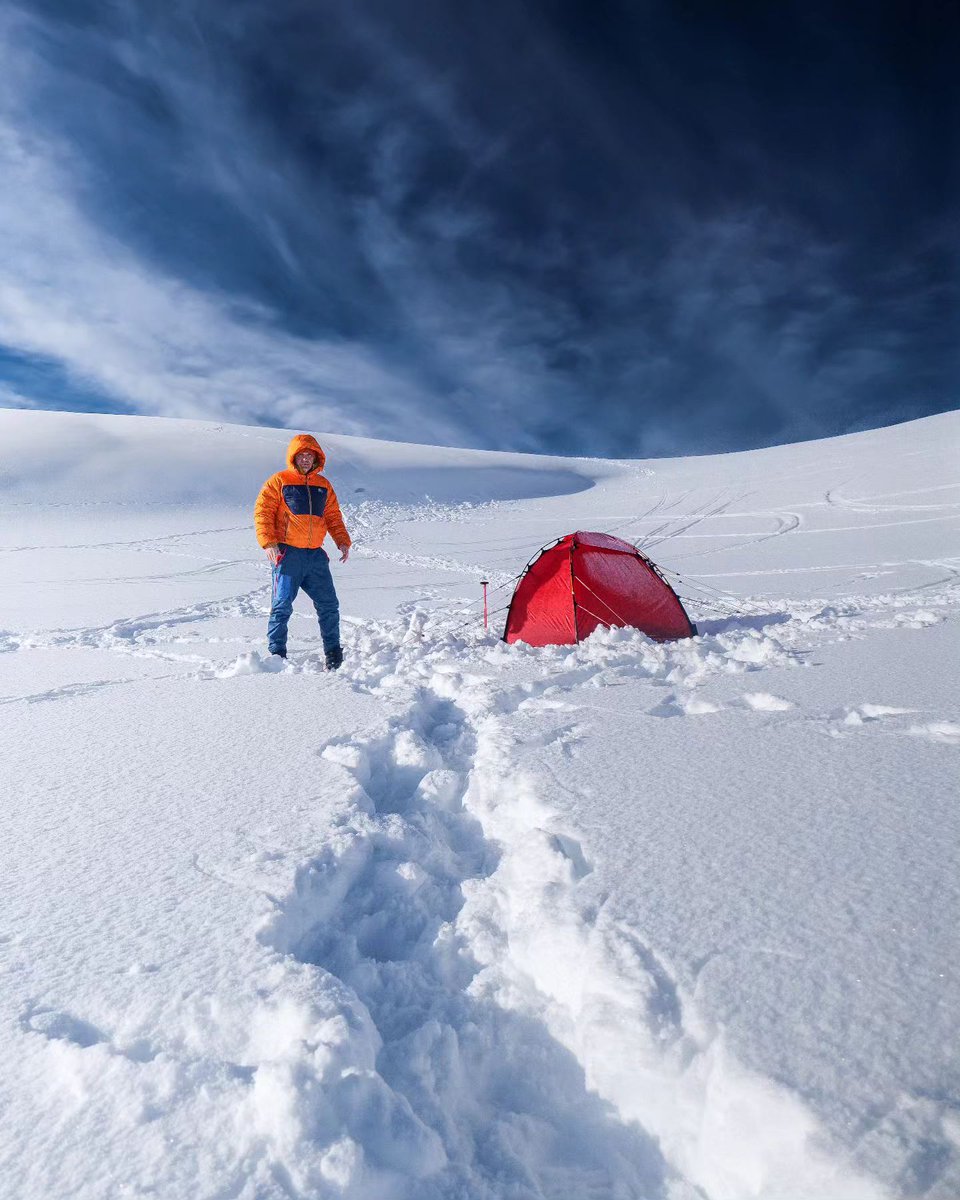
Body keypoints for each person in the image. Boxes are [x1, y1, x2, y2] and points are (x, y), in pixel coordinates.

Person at [254, 433, 352, 669]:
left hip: (315, 556)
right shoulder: (279, 481)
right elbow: (263, 512)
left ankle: (333, 653)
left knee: (329, 605)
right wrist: (269, 542)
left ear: (317, 458)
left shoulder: (323, 485)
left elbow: (333, 517)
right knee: (282, 606)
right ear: (294, 457)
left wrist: (342, 540)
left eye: (310, 455)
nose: (306, 459)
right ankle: (277, 656)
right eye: (302, 455)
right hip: (288, 555)